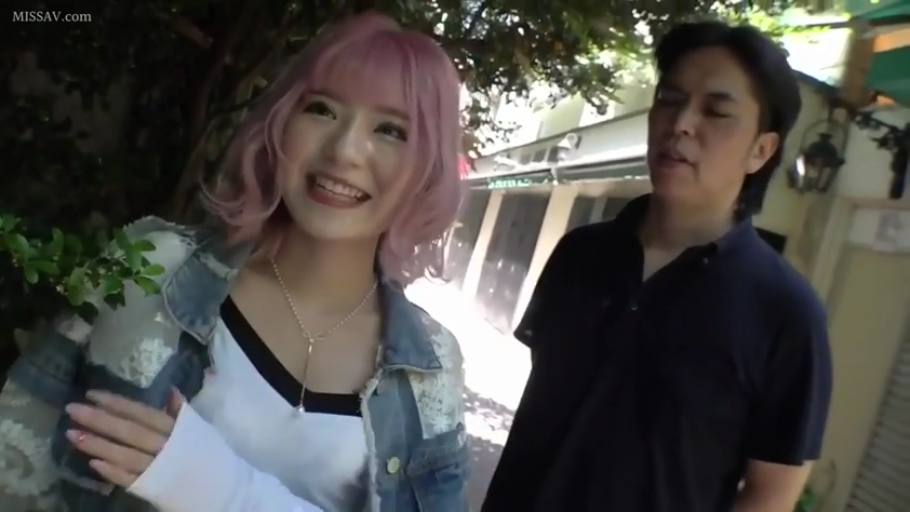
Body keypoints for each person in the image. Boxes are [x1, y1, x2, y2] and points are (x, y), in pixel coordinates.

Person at [0, 11, 469, 512]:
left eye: (391, 130)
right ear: (281, 123)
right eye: (323, 110)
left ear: (428, 171)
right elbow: (17, 447)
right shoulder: (154, 266)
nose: (346, 150)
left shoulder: (431, 366)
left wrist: (215, 485)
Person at [482, 21, 832, 512]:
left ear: (761, 150)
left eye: (716, 111)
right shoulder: (580, 254)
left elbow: (771, 494)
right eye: (669, 99)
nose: (681, 122)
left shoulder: (786, 313)